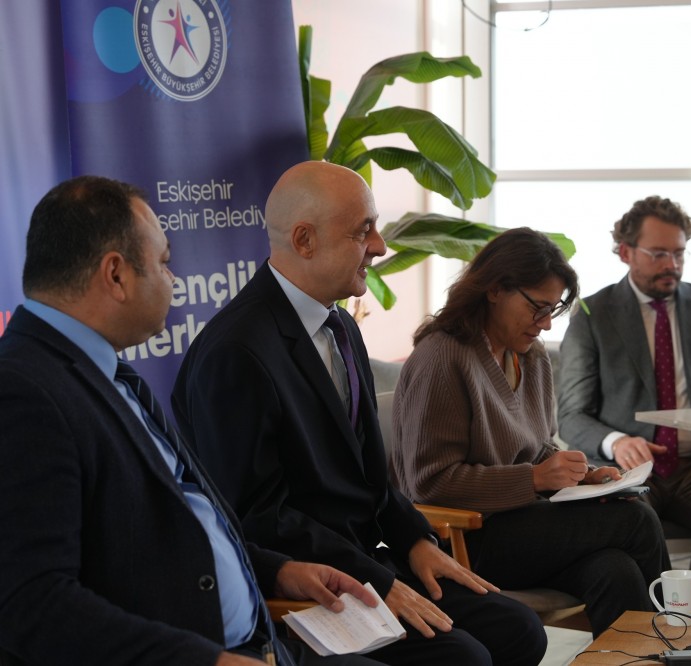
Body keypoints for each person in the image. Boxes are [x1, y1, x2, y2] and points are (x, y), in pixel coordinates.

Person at [0, 175, 387, 666]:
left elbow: (169, 531)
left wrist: (277, 570)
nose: (174, 280)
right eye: (164, 263)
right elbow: (33, 604)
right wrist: (208, 661)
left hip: (257, 642)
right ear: (116, 275)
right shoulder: (23, 394)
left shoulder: (109, 372)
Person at [172, 161, 546, 666]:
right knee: (464, 658)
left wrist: (414, 539)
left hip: (370, 562)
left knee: (519, 628)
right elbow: (256, 520)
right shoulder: (235, 352)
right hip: (311, 587)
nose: (380, 246)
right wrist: (376, 580)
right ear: (304, 240)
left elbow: (371, 477)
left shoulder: (341, 326)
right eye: (362, 230)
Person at [390, 227, 669, 637]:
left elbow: (536, 448)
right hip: (465, 537)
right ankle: (682, 642)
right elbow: (429, 484)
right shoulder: (443, 357)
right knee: (635, 520)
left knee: (616, 571)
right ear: (495, 289)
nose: (546, 324)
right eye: (538, 308)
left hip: (526, 526)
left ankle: (647, 658)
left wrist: (584, 476)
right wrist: (535, 478)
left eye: (552, 311)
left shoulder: (531, 356)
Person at [557, 195, 691, 573]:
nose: (672, 265)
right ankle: (656, 606)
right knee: (625, 517)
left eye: (679, 253)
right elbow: (571, 416)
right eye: (659, 254)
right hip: (626, 468)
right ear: (626, 252)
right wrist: (617, 442)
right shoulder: (593, 315)